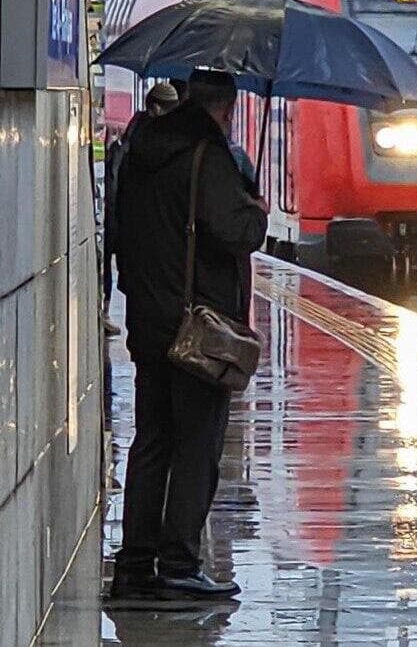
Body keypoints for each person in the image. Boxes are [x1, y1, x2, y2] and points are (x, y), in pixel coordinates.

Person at [111, 70, 267, 601]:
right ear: (225, 106)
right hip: (198, 326)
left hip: (149, 319)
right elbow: (235, 231)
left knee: (152, 441)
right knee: (197, 445)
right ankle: (178, 562)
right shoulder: (208, 156)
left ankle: (135, 564)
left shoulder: (139, 147)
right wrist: (255, 210)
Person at [102, 83, 179, 336]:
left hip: (138, 265)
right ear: (156, 109)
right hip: (153, 264)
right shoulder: (150, 151)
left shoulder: (128, 145)